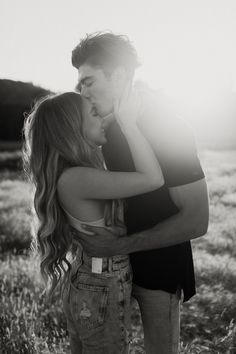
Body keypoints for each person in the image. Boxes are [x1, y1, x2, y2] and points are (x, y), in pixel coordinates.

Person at [71, 32, 209, 354]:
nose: (82, 91)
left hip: (159, 270)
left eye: (89, 81)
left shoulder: (169, 128)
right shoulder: (95, 130)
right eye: (80, 83)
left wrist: (121, 244)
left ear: (118, 75)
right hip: (102, 272)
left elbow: (197, 219)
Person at [23, 90, 164, 354]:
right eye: (94, 113)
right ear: (71, 127)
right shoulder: (78, 178)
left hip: (91, 278)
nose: (104, 118)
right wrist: (130, 125)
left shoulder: (73, 175)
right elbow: (152, 179)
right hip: (100, 282)